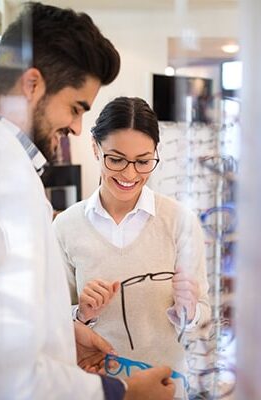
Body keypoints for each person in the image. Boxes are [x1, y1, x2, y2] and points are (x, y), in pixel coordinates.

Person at [0, 3, 176, 399]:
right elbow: (3, 368)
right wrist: (122, 394)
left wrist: (63, 335)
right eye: (75, 107)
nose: (77, 127)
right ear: (32, 85)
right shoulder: (1, 177)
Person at [53, 97, 211, 398]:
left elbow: (202, 314)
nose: (129, 174)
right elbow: (53, 320)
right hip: (99, 388)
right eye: (116, 159)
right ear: (95, 147)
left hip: (167, 387)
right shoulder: (65, 226)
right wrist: (81, 314)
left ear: (156, 154)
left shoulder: (179, 220)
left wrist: (188, 311)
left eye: (142, 161)